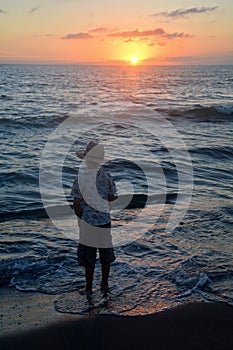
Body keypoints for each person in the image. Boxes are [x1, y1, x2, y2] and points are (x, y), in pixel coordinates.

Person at [71, 141, 117, 300]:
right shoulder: (107, 176)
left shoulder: (81, 177)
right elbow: (111, 198)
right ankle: (104, 284)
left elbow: (77, 202)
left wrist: (79, 218)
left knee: (88, 255)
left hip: (88, 221)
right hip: (104, 221)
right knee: (105, 253)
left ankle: (89, 287)